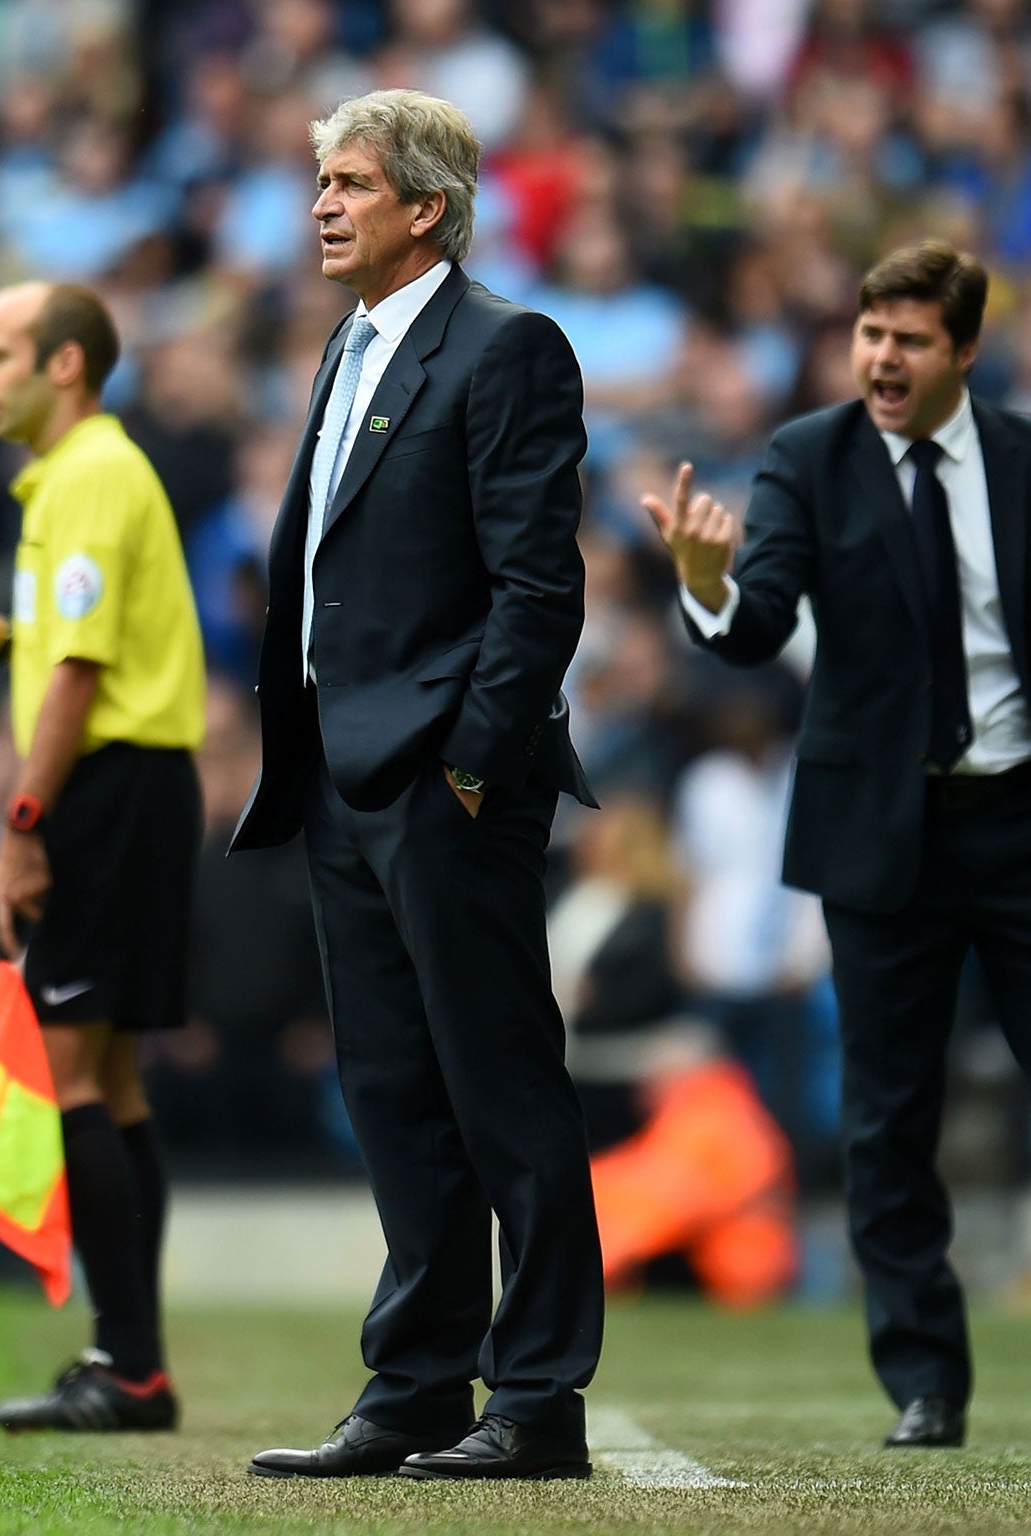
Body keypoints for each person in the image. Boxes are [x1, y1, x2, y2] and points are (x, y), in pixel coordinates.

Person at [644, 240, 1031, 1451]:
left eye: (907, 340)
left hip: (1027, 824)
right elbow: (758, 630)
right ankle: (924, 1383)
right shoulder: (807, 457)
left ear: (962, 350)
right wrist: (706, 584)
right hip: (879, 834)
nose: (881, 359)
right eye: (869, 335)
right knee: (884, 1119)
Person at [233, 89, 603, 1482]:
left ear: (426, 208)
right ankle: (418, 1383)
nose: (321, 205)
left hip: (444, 780)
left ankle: (543, 1397)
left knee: (502, 1085)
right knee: (394, 1087)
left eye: (348, 184)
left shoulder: (509, 349)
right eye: (318, 182)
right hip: (341, 772)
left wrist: (471, 764)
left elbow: (536, 586)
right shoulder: (351, 344)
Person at [0, 281, 204, 1433]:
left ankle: (130, 1367)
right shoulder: (82, 479)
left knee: (77, 1077)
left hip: (108, 793)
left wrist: (24, 822)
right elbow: (76, 643)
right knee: (116, 1084)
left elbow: (83, 679)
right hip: (139, 785)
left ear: (66, 366)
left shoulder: (86, 479)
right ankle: (132, 1359)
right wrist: (3, 637)